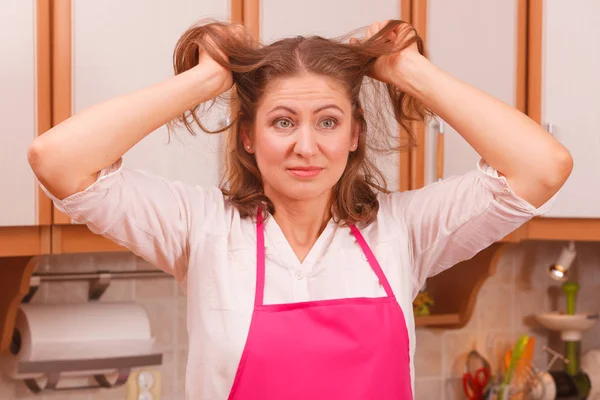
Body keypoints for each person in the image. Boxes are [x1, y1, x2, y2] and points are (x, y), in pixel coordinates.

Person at [28, 19, 572, 400]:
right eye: (283, 121)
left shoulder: (404, 231)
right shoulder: (200, 228)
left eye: (328, 121)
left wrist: (407, 72)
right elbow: (58, 160)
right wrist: (208, 79)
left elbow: (541, 168)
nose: (305, 146)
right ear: (248, 136)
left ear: (356, 135)